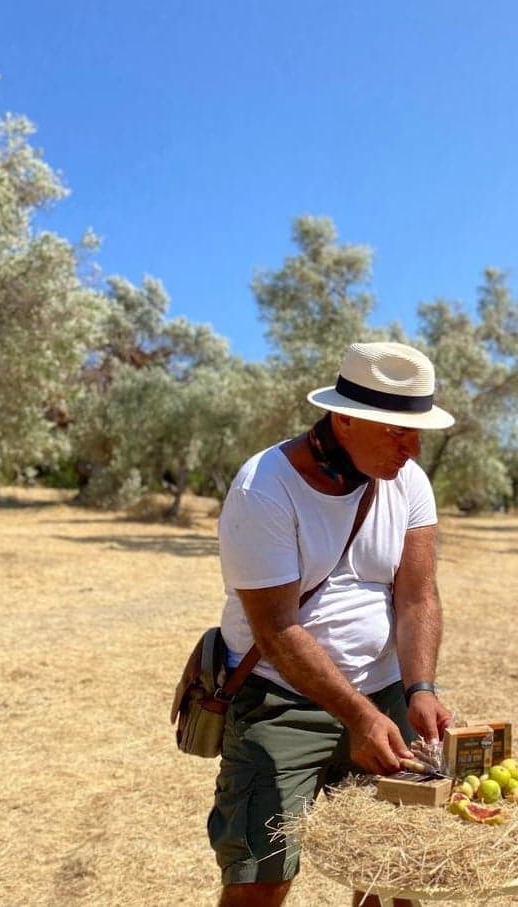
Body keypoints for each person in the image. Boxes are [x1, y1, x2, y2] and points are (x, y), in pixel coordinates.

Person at [208, 341, 455, 907]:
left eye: (417, 430)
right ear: (344, 418)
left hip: (386, 695)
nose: (412, 448)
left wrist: (419, 688)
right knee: (260, 878)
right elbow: (276, 630)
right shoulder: (263, 487)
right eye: (397, 430)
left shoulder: (410, 482)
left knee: (393, 870)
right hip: (282, 702)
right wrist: (360, 716)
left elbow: (417, 595)